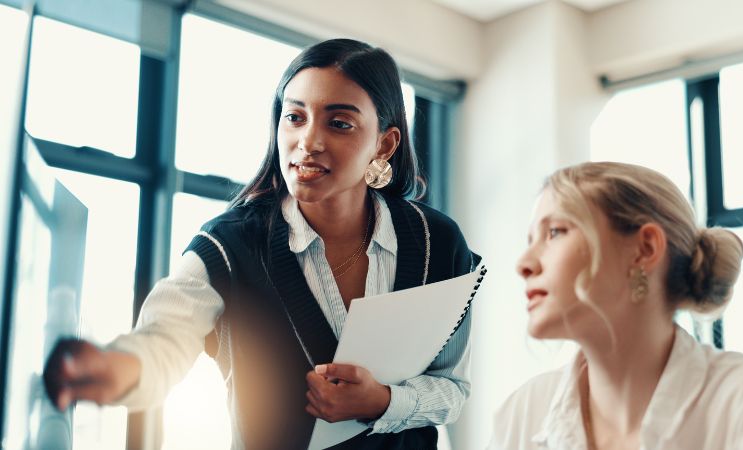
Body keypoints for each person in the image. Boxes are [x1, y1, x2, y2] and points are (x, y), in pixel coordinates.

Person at [43, 38, 480, 450]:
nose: (307, 142)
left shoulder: (436, 244)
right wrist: (117, 369)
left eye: (339, 123)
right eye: (294, 117)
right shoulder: (229, 245)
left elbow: (453, 388)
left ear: (384, 144)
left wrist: (385, 402)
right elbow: (162, 342)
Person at [489, 162, 743, 450]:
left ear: (645, 249)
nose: (523, 264)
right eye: (530, 240)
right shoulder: (521, 415)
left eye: (555, 232)